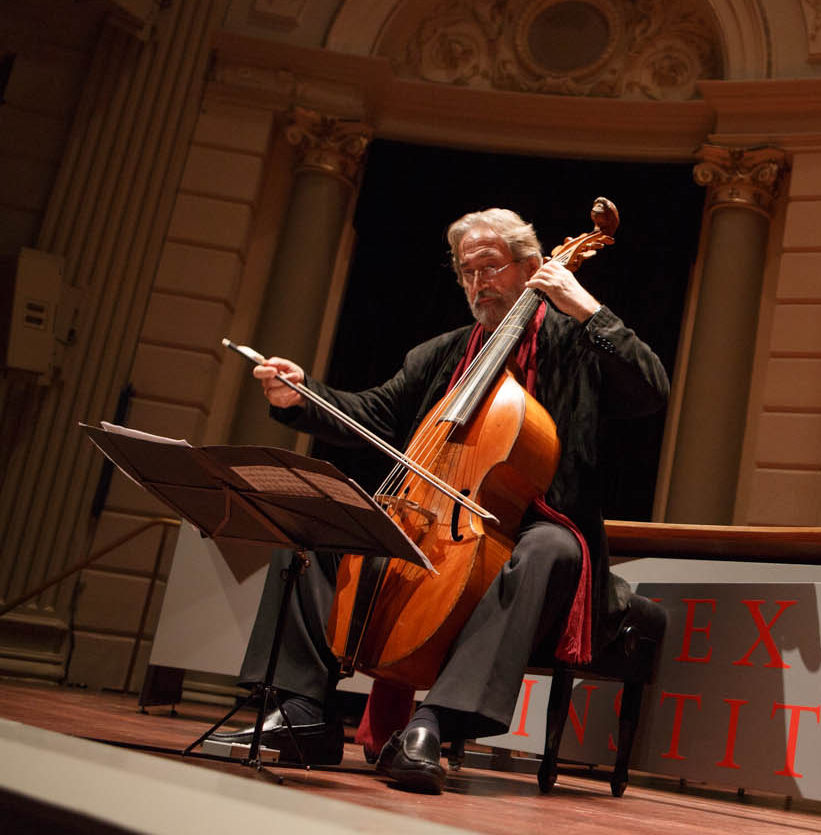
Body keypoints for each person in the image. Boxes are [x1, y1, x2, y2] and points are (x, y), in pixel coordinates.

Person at [207, 204, 669, 793]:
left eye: (489, 267)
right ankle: (305, 712)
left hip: (539, 522)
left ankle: (432, 724)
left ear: (531, 268)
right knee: (316, 524)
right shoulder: (444, 353)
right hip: (441, 515)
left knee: (549, 548)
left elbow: (651, 388)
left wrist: (583, 304)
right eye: (465, 272)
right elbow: (372, 412)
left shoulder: (575, 343)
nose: (477, 283)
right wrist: (302, 397)